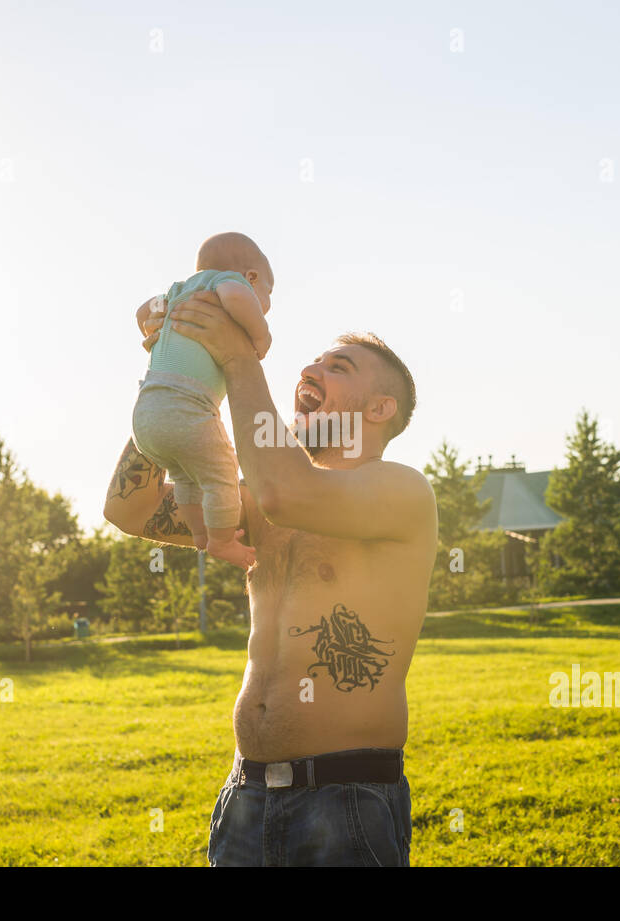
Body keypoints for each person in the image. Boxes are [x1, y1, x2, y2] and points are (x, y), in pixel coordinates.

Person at [104, 290, 436, 866]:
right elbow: (126, 511)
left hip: (346, 800)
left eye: (340, 367)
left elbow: (289, 491)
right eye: (314, 361)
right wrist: (176, 382)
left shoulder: (402, 491)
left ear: (381, 409)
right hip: (247, 795)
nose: (311, 369)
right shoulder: (259, 499)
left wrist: (237, 358)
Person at [129, 232, 273, 569]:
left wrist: (152, 328)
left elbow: (141, 311)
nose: (267, 303)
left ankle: (199, 534)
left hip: (146, 414)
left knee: (186, 478)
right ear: (250, 277)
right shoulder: (228, 282)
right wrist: (261, 333)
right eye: (268, 292)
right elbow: (238, 298)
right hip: (187, 407)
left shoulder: (177, 292)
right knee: (222, 471)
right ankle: (221, 541)